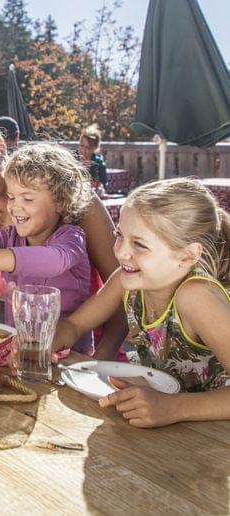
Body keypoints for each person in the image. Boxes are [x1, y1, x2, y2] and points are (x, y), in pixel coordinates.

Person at [0, 112, 127, 359]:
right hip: (27, 355)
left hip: (91, 355)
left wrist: (100, 361)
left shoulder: (71, 202)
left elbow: (122, 288)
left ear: (0, 148)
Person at [50, 178, 230, 427]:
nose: (121, 252)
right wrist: (41, 344)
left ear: (188, 255)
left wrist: (172, 407)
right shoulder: (127, 281)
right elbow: (75, 325)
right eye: (119, 235)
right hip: (163, 428)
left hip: (212, 436)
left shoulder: (197, 296)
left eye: (140, 244)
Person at [77, 124, 107, 190]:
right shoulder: (72, 159)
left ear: (95, 148)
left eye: (87, 148)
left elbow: (104, 185)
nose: (83, 150)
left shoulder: (99, 163)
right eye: (81, 145)